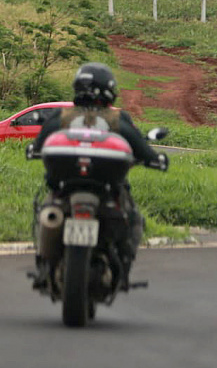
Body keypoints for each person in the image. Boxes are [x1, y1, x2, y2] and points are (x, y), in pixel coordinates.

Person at [30, 62, 167, 281]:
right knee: (132, 218)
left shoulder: (61, 116)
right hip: (108, 190)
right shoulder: (117, 119)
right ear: (109, 89)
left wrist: (35, 150)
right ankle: (122, 268)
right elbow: (140, 147)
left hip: (65, 188)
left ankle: (46, 262)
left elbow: (38, 144)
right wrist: (156, 159)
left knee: (46, 209)